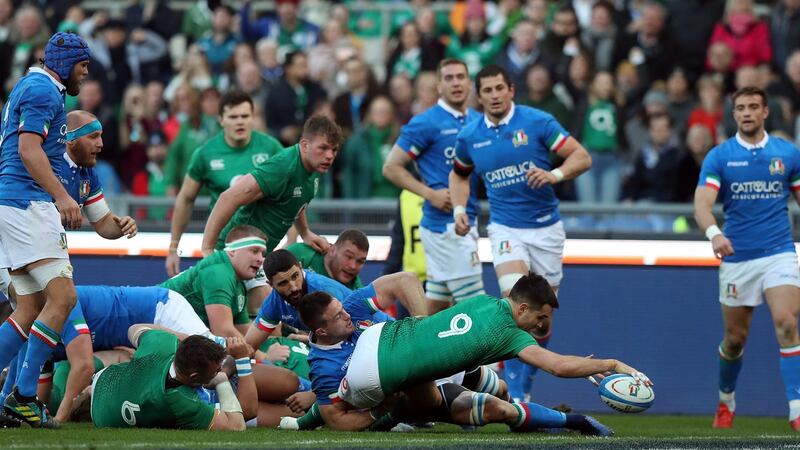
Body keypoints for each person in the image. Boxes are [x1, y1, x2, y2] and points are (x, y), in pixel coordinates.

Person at [299, 272, 649, 433]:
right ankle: (568, 421)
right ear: (523, 309)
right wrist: (612, 363)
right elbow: (556, 366)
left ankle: (523, 418)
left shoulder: (484, 302)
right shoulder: (509, 332)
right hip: (375, 376)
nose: (541, 328)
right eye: (540, 318)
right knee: (488, 402)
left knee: (488, 383)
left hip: (383, 338)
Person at [448, 64, 591, 400]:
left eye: (500, 88)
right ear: (478, 96)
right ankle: (511, 386)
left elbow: (581, 158)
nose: (494, 96)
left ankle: (524, 385)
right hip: (505, 227)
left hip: (546, 229)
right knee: (516, 303)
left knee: (541, 319)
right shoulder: (470, 136)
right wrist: (458, 209)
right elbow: (458, 175)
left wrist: (554, 175)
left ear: (511, 90)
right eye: (487, 91)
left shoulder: (538, 122)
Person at [0, 30, 104, 428]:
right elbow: (29, 150)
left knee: (28, 308)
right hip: (28, 204)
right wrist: (62, 196)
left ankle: (12, 398)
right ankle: (23, 396)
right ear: (64, 64)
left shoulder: (30, 87)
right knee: (62, 297)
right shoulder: (44, 91)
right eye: (82, 65)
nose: (85, 73)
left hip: (11, 203)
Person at [693, 86, 800, 431]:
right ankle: (726, 401)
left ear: (766, 112)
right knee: (735, 340)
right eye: (741, 108)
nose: (747, 113)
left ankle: (797, 410)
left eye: (754, 106)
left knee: (787, 322)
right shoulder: (720, 157)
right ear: (734, 114)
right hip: (738, 258)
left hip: (779, 252)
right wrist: (715, 234)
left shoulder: (788, 154)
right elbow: (702, 205)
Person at [0, 282, 223, 423]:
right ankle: (221, 405)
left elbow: (84, 366)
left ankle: (245, 368)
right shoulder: (34, 339)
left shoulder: (61, 304)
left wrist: (60, 417)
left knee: (218, 354)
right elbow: (34, 397)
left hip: (160, 312)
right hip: (140, 338)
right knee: (184, 379)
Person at [383, 59, 485, 315]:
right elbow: (391, 167)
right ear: (439, 86)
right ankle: (491, 357)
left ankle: (407, 351)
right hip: (444, 227)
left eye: (461, 77)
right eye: (448, 78)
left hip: (466, 221)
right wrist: (430, 194)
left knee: (433, 309)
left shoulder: (478, 121)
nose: (456, 83)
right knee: (476, 309)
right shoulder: (426, 122)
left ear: (470, 83)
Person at [165, 90, 283, 278]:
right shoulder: (205, 153)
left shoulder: (271, 148)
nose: (240, 121)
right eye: (233, 116)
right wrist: (173, 248)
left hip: (263, 246)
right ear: (221, 119)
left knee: (259, 302)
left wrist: (293, 239)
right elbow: (186, 198)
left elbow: (289, 195)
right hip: (223, 246)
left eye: (245, 116)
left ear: (252, 117)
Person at [201, 115, 342, 256]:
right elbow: (228, 197)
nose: (329, 156)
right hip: (233, 253)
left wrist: (305, 233)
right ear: (305, 145)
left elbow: (297, 200)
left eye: (334, 150)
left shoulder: (315, 165)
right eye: (323, 148)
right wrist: (207, 249)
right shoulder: (282, 167)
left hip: (257, 256)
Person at [77, 326, 256, 430]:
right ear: (194, 376)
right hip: (104, 398)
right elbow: (237, 426)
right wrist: (223, 379)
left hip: (105, 390)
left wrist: (178, 340)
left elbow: (134, 329)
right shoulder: (181, 401)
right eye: (215, 370)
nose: (218, 371)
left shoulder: (162, 344)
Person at [161, 225, 266, 340]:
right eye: (254, 251)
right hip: (146, 316)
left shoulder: (238, 283)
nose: (260, 259)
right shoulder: (219, 273)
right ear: (232, 251)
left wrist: (278, 341)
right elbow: (222, 331)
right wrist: (264, 355)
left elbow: (245, 332)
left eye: (262, 254)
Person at [244, 249, 358, 351]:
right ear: (271, 285)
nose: (293, 287)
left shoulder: (326, 291)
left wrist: (310, 341)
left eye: (295, 276)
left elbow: (355, 330)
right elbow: (248, 347)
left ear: (300, 266)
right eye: (283, 283)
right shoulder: (273, 304)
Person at [286, 229, 369, 290]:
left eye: (360, 261)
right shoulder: (301, 253)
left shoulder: (357, 294)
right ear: (332, 250)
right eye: (349, 257)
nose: (353, 266)